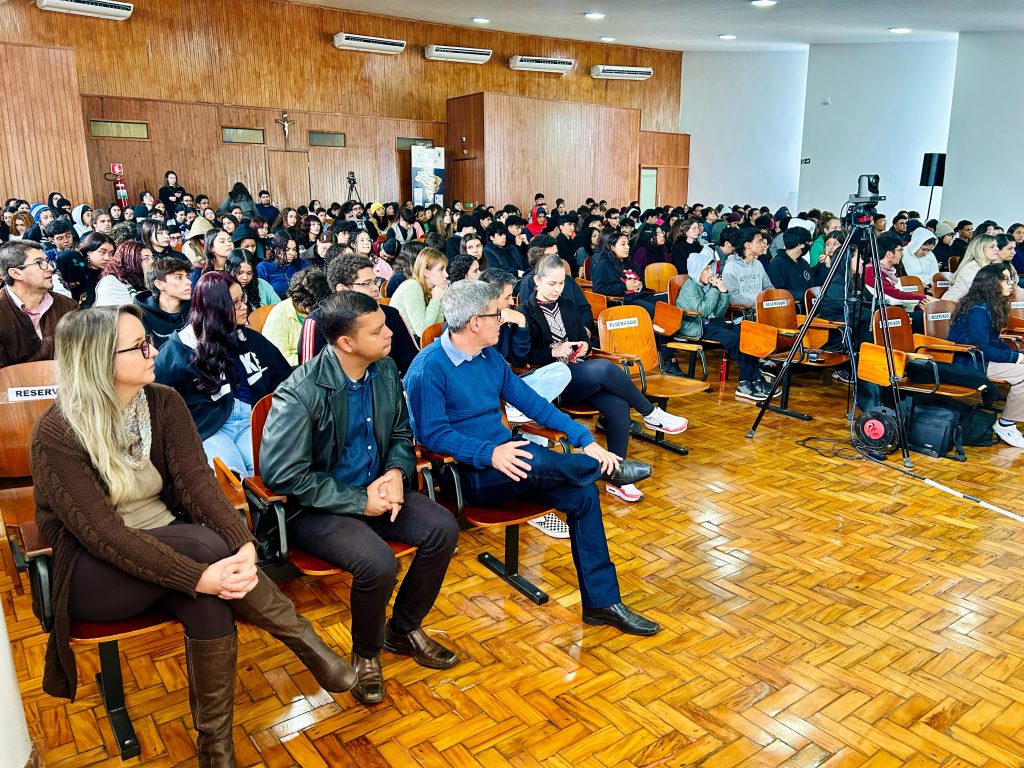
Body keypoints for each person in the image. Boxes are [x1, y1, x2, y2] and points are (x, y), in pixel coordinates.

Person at [31, 305, 357, 767]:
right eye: (140, 346)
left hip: (169, 551)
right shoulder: (57, 433)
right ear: (100, 361)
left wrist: (242, 543)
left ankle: (214, 749)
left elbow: (197, 483)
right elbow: (104, 536)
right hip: (95, 571)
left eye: (150, 340)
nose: (155, 351)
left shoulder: (162, 401)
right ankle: (304, 640)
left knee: (210, 603)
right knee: (205, 553)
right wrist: (204, 572)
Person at [404, 279, 660, 635]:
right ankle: (604, 470)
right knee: (529, 456)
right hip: (466, 474)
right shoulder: (428, 367)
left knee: (581, 494)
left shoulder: (488, 356)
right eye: (498, 313)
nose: (504, 319)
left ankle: (602, 603)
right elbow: (433, 434)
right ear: (476, 322)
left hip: (512, 463)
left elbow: (531, 402)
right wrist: (489, 453)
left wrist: (583, 438)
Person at [261, 291, 460, 705]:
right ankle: (366, 652)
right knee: (377, 563)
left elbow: (402, 435)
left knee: (442, 527)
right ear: (346, 343)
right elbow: (283, 475)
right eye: (378, 330)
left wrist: (393, 472)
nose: (390, 333)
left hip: (377, 488)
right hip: (317, 506)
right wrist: (358, 501)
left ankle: (403, 629)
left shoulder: (384, 369)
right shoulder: (300, 391)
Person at [524, 255, 687, 502]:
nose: (557, 289)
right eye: (551, 284)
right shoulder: (525, 311)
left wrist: (583, 346)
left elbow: (585, 341)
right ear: (537, 280)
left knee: (618, 405)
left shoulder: (567, 306)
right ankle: (650, 413)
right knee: (604, 369)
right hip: (552, 382)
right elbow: (524, 356)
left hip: (580, 374)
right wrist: (553, 351)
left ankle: (617, 477)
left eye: (561, 284)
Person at [155, 272, 290, 476]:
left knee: (269, 471)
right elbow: (157, 400)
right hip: (210, 427)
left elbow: (285, 379)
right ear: (216, 309)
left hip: (250, 420)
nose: (244, 307)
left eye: (242, 299)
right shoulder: (178, 350)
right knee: (232, 477)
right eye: (235, 303)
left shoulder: (251, 339)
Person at [300, 253, 419, 373]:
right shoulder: (317, 323)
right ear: (342, 290)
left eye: (375, 281)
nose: (375, 289)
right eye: (366, 283)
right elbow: (310, 379)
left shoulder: (391, 315)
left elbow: (414, 364)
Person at [678, 250, 772, 402]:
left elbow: (719, 312)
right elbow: (703, 311)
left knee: (746, 334)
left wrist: (724, 292)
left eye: (711, 268)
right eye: (707, 269)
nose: (711, 272)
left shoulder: (707, 286)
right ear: (697, 271)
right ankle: (745, 383)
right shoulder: (690, 287)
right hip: (696, 326)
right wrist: (716, 290)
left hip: (712, 323)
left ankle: (754, 379)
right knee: (734, 339)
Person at [947, 264, 1024, 447]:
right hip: (970, 361)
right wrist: (1016, 359)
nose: (1011, 283)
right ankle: (1006, 424)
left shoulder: (990, 305)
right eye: (1005, 279)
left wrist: (1016, 354)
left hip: (981, 358)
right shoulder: (979, 310)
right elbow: (983, 349)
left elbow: (993, 342)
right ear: (991, 283)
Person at [0, 240, 78, 367]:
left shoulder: (68, 307)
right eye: (39, 263)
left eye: (47, 261)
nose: (51, 269)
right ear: (15, 273)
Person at [261, 268, 330, 365]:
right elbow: (278, 357)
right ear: (300, 301)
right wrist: (314, 360)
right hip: (295, 369)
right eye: (312, 306)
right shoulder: (280, 314)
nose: (317, 310)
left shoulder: (321, 308)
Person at [387, 247, 447, 339]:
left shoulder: (432, 289)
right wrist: (435, 300)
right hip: (401, 346)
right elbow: (423, 331)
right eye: (441, 269)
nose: (446, 275)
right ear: (426, 273)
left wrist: (439, 298)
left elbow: (437, 328)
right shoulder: (412, 286)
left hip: (416, 343)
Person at [134, 257, 192, 349]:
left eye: (187, 277)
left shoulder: (196, 309)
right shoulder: (140, 315)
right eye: (179, 277)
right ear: (159, 284)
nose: (189, 282)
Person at [767, 226, 820, 309]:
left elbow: (811, 286)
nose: (809, 245)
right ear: (799, 244)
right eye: (808, 242)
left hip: (808, 308)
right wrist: (803, 296)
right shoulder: (777, 264)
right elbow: (778, 292)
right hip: (789, 309)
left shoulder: (804, 263)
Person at [56, 232, 115, 307]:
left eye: (111, 253)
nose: (107, 258)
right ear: (88, 252)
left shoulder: (109, 274)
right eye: (102, 252)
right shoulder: (74, 268)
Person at [722, 228, 773, 309]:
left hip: (762, 309)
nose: (763, 245)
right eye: (759, 241)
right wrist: (758, 303)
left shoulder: (758, 264)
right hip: (744, 314)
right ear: (747, 245)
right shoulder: (731, 267)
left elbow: (768, 287)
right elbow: (733, 297)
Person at [944, 234, 1000, 304]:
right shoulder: (971, 268)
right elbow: (983, 294)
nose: (997, 249)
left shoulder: (991, 266)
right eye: (992, 247)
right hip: (951, 306)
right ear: (979, 249)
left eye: (996, 246)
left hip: (970, 306)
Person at [95, 240, 152, 306]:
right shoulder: (110, 283)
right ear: (129, 261)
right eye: (145, 259)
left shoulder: (144, 280)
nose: (152, 262)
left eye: (152, 258)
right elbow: (128, 311)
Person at [227, 249, 280, 313]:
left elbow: (279, 309)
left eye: (249, 273)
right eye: (240, 273)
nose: (245, 277)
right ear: (229, 270)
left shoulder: (263, 285)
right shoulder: (224, 287)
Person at [257, 233, 302, 297]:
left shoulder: (301, 264)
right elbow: (261, 295)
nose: (292, 253)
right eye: (287, 249)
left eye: (294, 249)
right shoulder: (263, 268)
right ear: (275, 249)